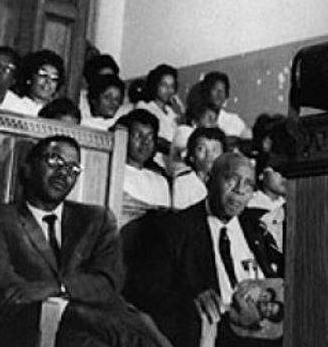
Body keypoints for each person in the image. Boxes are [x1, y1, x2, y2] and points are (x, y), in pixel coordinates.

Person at [0, 135, 169, 347]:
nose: (63, 172)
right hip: (35, 328)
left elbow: (109, 280)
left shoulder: (96, 219)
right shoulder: (2, 219)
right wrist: (61, 309)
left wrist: (56, 288)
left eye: (73, 168)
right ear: (28, 168)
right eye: (54, 161)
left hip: (100, 321)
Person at [128, 153, 283, 347]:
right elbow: (147, 292)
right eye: (231, 179)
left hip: (267, 327)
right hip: (214, 329)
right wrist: (190, 300)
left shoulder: (257, 227)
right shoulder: (175, 229)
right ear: (208, 180)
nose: (240, 190)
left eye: (248, 184)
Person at [120, 110, 171, 223]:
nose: (145, 142)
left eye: (150, 137)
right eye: (138, 136)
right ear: (125, 137)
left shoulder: (161, 181)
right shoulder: (115, 172)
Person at [172, 126, 226, 211]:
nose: (209, 154)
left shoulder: (226, 182)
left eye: (215, 150)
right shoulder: (183, 181)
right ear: (192, 156)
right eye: (201, 149)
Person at [1, 49, 66, 116]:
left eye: (54, 78)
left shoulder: (58, 114)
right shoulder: (11, 101)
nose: (48, 81)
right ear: (29, 77)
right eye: (43, 75)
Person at [137, 64, 183, 155]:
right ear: (155, 85)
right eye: (164, 85)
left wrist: (181, 111)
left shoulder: (172, 113)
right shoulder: (145, 107)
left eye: (172, 86)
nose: (168, 90)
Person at [202, 72, 251, 147]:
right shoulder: (196, 121)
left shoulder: (235, 122)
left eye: (222, 91)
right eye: (215, 89)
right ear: (206, 92)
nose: (219, 95)